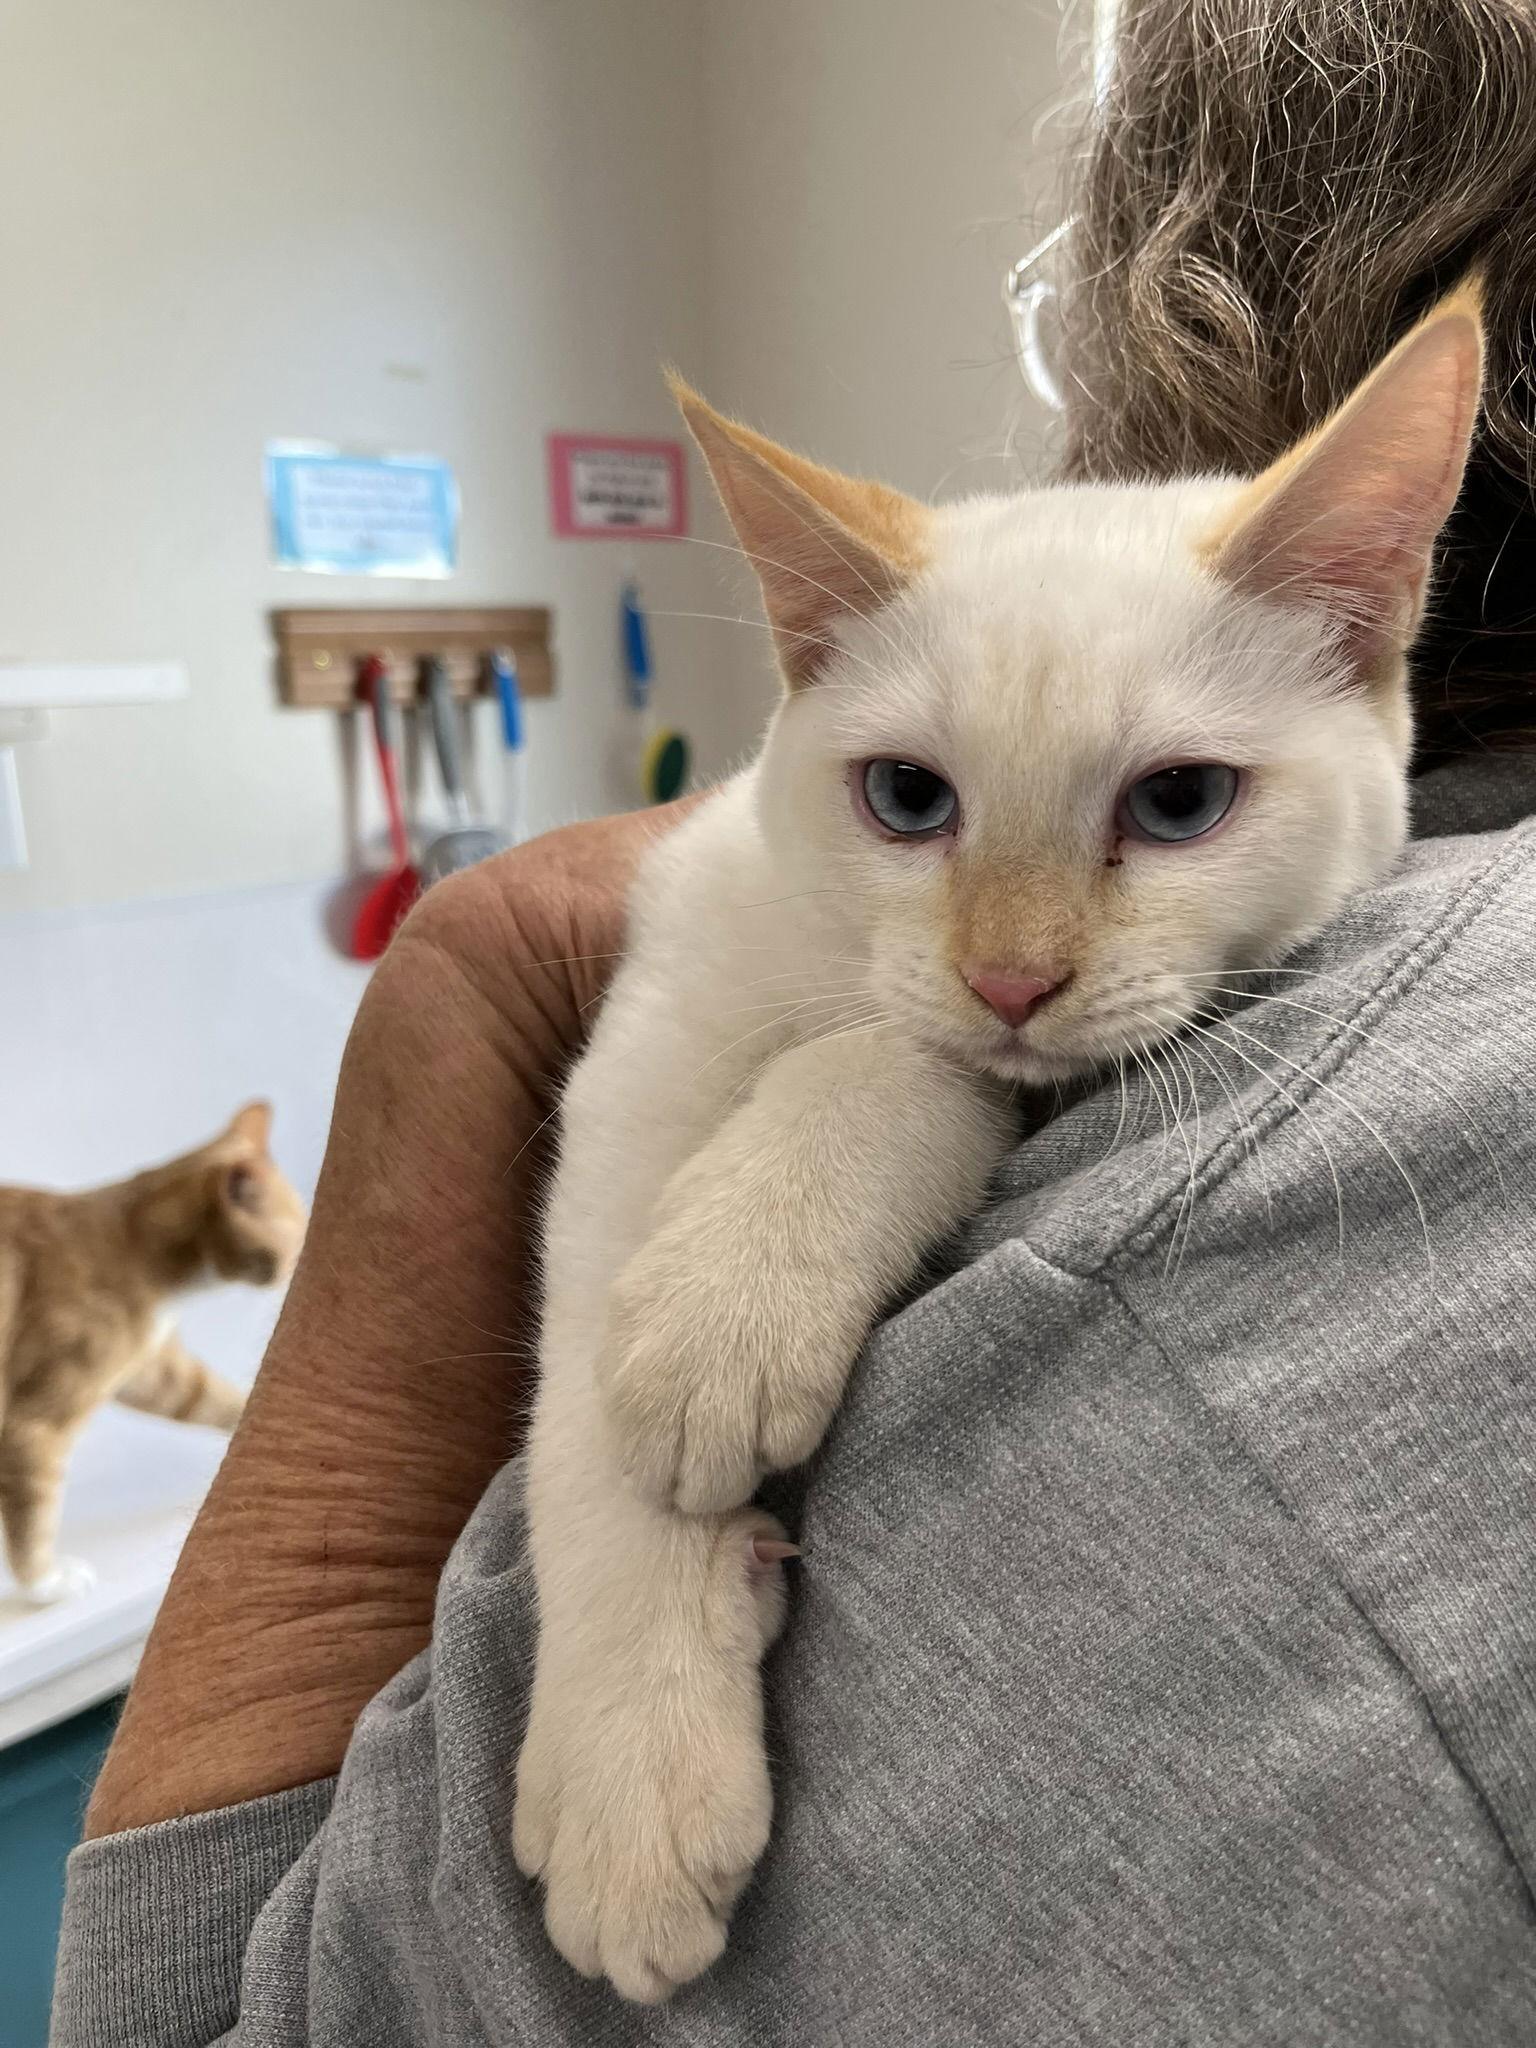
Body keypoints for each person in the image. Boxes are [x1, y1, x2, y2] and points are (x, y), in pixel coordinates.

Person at [53, 2, 1536, 2040]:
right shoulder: (773, 876)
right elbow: (647, 1143)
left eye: (1177, 804)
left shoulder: (1268, 1222)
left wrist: (648, 1035)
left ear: (1366, 625)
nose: (1016, 962)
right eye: (910, 800)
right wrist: (632, 1596)